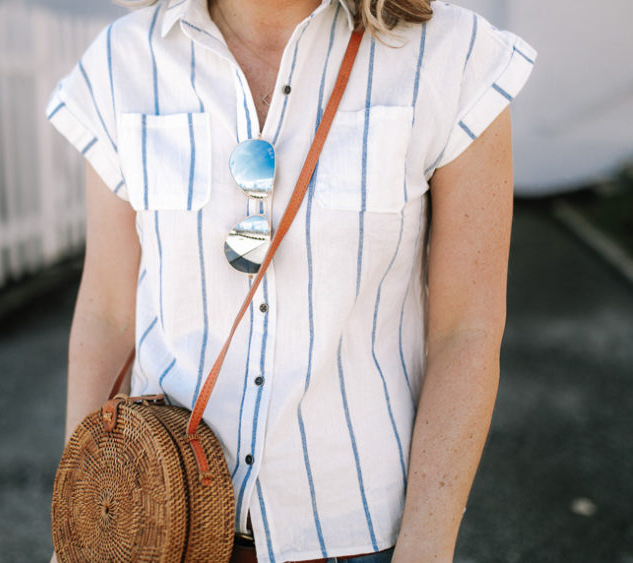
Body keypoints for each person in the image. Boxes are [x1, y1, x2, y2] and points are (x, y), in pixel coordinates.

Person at [45, 0, 536, 561]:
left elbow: (466, 331)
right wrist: (80, 529)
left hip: (361, 537)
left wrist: (426, 548)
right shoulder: (120, 62)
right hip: (157, 527)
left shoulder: (455, 56)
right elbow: (107, 316)